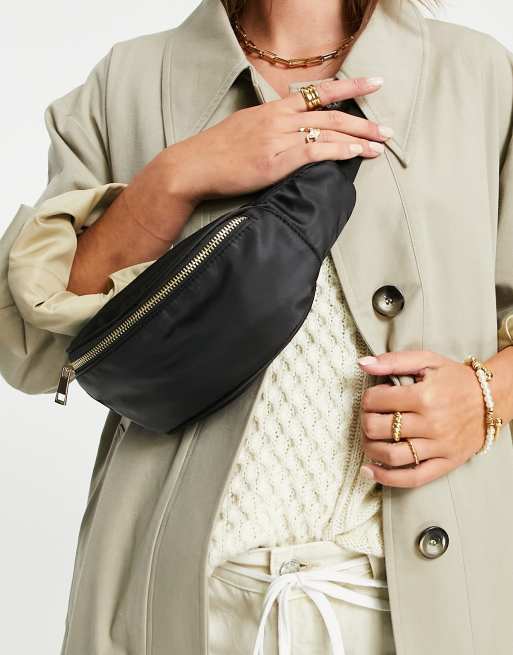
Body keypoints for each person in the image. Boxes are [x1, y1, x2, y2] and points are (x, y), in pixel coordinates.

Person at [2, 0, 513, 653]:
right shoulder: (130, 82)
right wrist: (175, 177)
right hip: (174, 607)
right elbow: (32, 349)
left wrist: (485, 394)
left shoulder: (473, 75)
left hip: (430, 606)